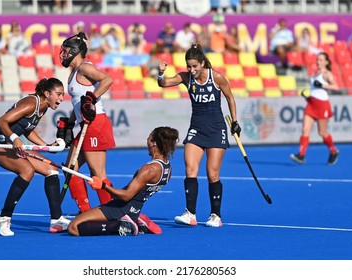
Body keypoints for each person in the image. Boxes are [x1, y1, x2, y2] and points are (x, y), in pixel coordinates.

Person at [157, 44, 241, 227]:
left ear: (202, 63)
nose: (191, 70)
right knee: (190, 170)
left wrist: (235, 122)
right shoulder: (186, 78)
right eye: (189, 66)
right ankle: (190, 214)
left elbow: (230, 97)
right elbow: (163, 83)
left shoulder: (216, 77)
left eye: (195, 66)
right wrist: (160, 73)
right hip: (196, 128)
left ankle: (215, 216)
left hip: (216, 129)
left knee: (212, 174)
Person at [0, 77, 70, 236]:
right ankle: (4, 216)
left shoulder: (43, 108)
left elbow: (28, 129)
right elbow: (2, 122)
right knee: (27, 170)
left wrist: (47, 146)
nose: (61, 99)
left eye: (63, 95)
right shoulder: (31, 103)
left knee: (51, 169)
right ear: (46, 93)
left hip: (11, 144)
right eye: (58, 94)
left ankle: (56, 220)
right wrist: (14, 138)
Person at [67, 126, 179, 236]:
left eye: (149, 138)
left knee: (73, 227)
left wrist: (103, 186)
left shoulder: (149, 169)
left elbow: (126, 196)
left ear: (154, 142)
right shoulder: (168, 169)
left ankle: (120, 226)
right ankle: (133, 222)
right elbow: (139, 193)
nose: (147, 141)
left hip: (121, 209)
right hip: (134, 210)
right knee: (89, 220)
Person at [58, 32, 115, 213]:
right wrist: (70, 122)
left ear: (75, 51)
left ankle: (111, 211)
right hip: (84, 124)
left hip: (96, 122)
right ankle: (85, 211)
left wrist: (92, 98)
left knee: (97, 174)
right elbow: (79, 104)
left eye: (66, 51)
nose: (63, 54)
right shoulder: (72, 74)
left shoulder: (84, 68)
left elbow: (107, 80)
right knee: (70, 169)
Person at [290, 52, 339, 165]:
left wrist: (322, 85)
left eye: (321, 60)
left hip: (322, 105)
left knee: (322, 132)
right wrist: (306, 95)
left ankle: (333, 150)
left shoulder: (327, 74)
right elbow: (314, 89)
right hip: (311, 103)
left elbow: (336, 87)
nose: (318, 62)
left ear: (326, 62)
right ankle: (301, 155)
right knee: (305, 130)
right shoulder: (314, 73)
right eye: (318, 59)